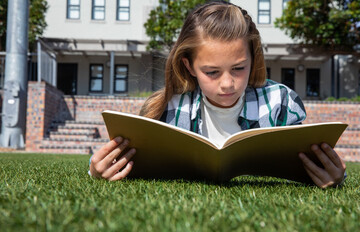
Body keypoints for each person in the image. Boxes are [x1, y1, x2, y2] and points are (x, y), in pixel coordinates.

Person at [89, 1, 346, 188]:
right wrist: (98, 170)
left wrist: (333, 175)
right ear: (189, 66)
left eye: (238, 68)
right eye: (212, 72)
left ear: (253, 58)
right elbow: (129, 163)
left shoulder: (280, 103)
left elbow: (309, 164)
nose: (227, 84)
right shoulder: (167, 109)